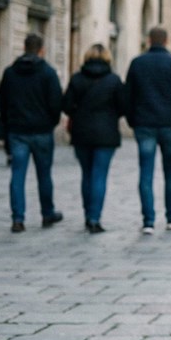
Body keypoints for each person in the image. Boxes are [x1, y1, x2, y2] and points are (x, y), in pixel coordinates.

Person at [124, 27, 171, 234]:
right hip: (169, 125)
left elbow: (127, 95)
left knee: (145, 173)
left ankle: (148, 221)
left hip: (144, 125)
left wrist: (132, 120)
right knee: (170, 173)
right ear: (166, 41)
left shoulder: (137, 63)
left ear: (148, 40)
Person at [0, 33, 65, 232]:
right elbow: (55, 104)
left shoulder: (10, 72)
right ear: (41, 50)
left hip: (17, 131)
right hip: (42, 131)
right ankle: (47, 214)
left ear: (24, 48)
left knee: (17, 175)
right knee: (44, 175)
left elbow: (2, 102)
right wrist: (50, 123)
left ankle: (18, 219)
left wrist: (6, 126)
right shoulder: (48, 73)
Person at [62, 44, 127, 233]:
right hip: (106, 134)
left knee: (86, 174)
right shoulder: (114, 80)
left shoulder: (77, 79)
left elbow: (66, 105)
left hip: (81, 132)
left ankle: (87, 214)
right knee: (99, 175)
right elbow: (123, 106)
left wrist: (78, 113)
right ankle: (94, 217)